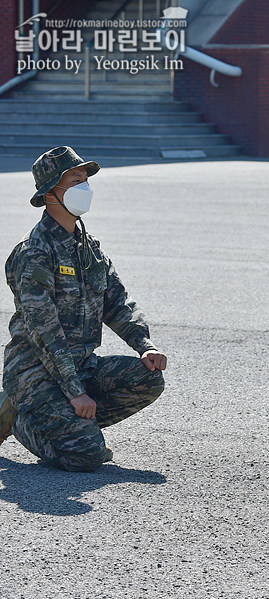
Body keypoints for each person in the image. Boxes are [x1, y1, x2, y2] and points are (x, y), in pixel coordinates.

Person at [0, 146, 167, 471]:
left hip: (79, 365)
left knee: (149, 380)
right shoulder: (35, 252)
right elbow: (44, 333)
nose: (85, 188)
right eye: (75, 181)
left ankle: (70, 427)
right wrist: (75, 392)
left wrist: (145, 346)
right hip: (36, 372)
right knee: (87, 455)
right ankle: (19, 414)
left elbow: (117, 303)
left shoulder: (88, 248)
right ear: (50, 193)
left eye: (85, 180)